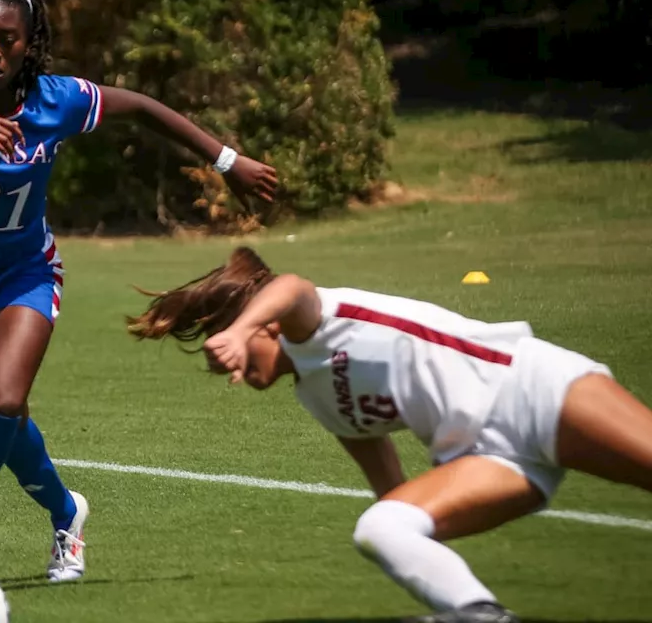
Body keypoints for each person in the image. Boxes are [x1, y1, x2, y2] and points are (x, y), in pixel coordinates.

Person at [0, 0, 279, 588]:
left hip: (24, 273)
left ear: (30, 44)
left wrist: (228, 162)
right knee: (3, 419)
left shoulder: (59, 100)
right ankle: (65, 511)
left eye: (7, 40)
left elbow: (146, 108)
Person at [126, 247, 652, 623]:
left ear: (264, 326)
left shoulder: (312, 323)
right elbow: (393, 494)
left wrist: (237, 332)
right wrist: (418, 544)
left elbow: (290, 287)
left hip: (530, 387)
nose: (225, 369)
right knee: (382, 527)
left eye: (225, 350)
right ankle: (479, 613)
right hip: (488, 458)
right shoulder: (315, 396)